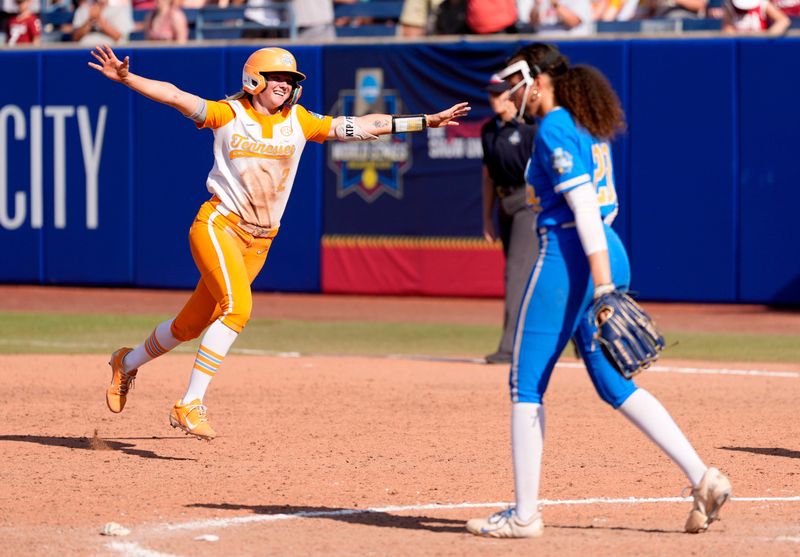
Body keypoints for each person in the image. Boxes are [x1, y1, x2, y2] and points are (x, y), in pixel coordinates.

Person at [89, 44, 470, 440]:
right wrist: (128, 78)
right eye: (277, 77)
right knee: (237, 310)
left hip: (259, 242)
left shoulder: (301, 121)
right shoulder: (228, 113)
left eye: (290, 80)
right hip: (219, 226)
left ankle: (126, 362)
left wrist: (425, 121)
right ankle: (190, 403)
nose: (285, 85)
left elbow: (361, 125)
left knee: (189, 326)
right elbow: (174, 94)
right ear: (254, 78)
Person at [465, 43, 731, 538]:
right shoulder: (583, 123)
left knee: (525, 386)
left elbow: (584, 206)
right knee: (614, 386)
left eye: (515, 82)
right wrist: (606, 274)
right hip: (605, 248)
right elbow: (601, 206)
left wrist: (602, 281)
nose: (510, 92)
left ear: (538, 80)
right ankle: (703, 477)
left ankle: (523, 516)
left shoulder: (556, 126)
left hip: (572, 258)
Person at [480, 74, 538, 365]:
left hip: (528, 204)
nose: (494, 98)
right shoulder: (489, 130)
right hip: (504, 204)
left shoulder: (528, 129)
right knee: (526, 278)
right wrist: (487, 217)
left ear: (511, 95)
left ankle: (509, 349)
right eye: (491, 94)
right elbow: (488, 176)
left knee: (515, 275)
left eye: (499, 93)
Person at [721, 0, 789, 34]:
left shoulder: (763, 3)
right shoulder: (729, 5)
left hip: (760, 47)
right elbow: (728, 28)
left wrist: (768, 36)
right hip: (741, 49)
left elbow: (783, 20)